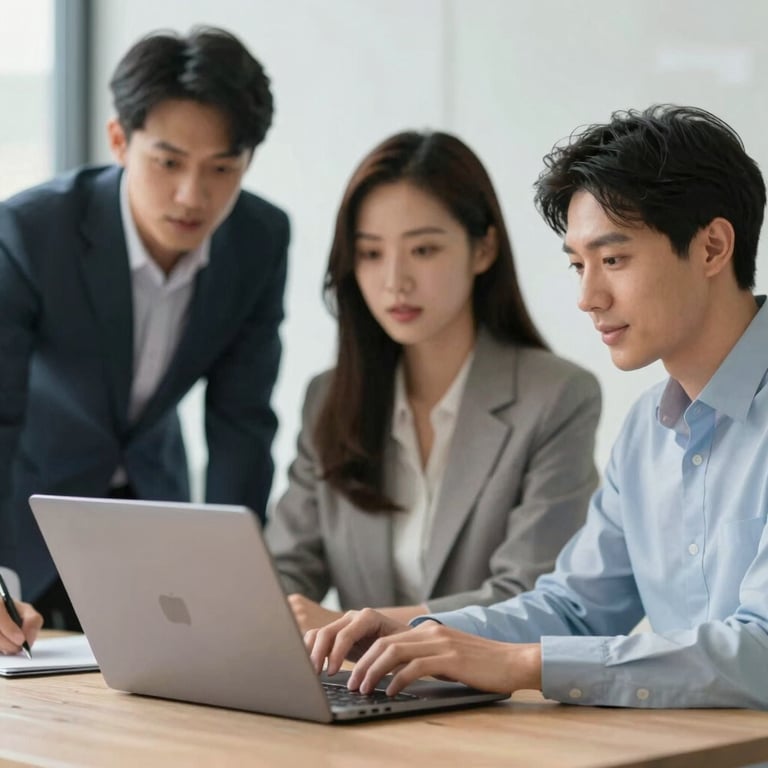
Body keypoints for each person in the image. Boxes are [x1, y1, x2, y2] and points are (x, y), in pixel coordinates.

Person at [304, 105, 768, 710]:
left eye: (614, 260)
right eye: (578, 265)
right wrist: (415, 635)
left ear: (711, 247)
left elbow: (759, 651)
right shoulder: (646, 430)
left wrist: (525, 664)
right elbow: (576, 608)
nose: (587, 296)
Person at [0, 26, 288, 647]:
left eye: (222, 167)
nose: (193, 195)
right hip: (29, 518)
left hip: (156, 517)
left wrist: (233, 581)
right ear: (119, 141)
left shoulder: (259, 240)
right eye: (168, 162)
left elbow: (242, 423)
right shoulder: (30, 232)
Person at [265, 130, 601, 633]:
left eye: (422, 250)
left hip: (498, 701)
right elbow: (288, 567)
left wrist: (371, 626)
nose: (394, 280)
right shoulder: (328, 399)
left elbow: (530, 593)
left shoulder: (556, 397)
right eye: (371, 253)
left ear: (483, 249)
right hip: (362, 693)